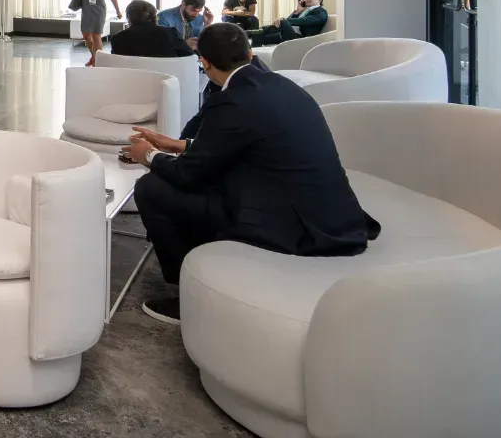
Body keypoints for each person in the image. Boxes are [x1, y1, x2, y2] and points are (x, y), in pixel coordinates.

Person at [125, 23, 379, 324]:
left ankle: (191, 298)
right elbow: (244, 141)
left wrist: (149, 155)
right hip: (331, 215)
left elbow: (187, 176)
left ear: (204, 62)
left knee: (151, 188)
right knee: (205, 178)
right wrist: (179, 145)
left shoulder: (231, 101)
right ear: (247, 53)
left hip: (295, 226)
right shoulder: (280, 85)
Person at [108, 0, 192, 58]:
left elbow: (116, 64)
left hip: (129, 81)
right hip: (166, 80)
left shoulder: (117, 39)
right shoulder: (170, 33)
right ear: (154, 16)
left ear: (129, 18)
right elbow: (189, 57)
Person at [255, 0, 330, 44]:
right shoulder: (305, 10)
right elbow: (291, 22)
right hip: (290, 34)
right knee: (261, 38)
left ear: (319, 0)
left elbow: (305, 21)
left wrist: (284, 21)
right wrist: (297, 11)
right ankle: (254, 34)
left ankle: (255, 31)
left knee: (284, 21)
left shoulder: (321, 12)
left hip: (301, 38)